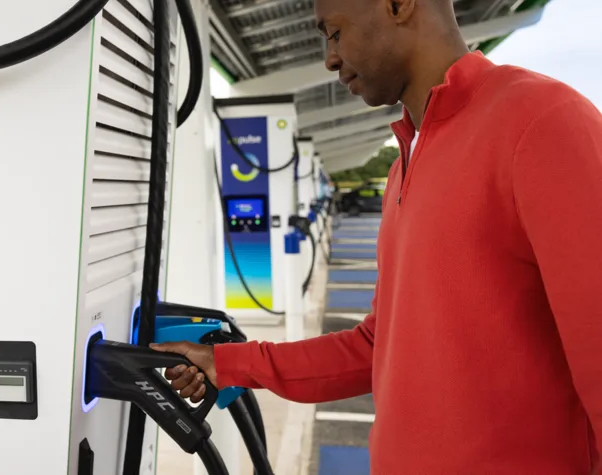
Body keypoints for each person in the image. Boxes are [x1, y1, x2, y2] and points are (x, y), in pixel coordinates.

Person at [151, 0, 602, 473]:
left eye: (334, 33)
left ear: (398, 5)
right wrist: (226, 363)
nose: (329, 58)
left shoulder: (543, 124)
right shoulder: (403, 169)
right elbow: (377, 346)